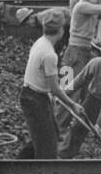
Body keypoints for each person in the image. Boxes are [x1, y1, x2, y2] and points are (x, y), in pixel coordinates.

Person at [19, 10, 82, 160]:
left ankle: (19, 163)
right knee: (47, 145)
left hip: (37, 93)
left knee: (49, 133)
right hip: (34, 97)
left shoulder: (40, 42)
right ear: (61, 30)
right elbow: (55, 87)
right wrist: (72, 104)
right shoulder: (49, 54)